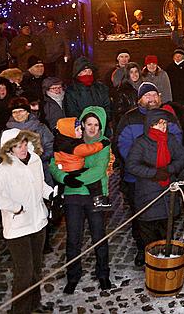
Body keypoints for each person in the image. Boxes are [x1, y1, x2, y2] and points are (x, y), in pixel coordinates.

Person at [50, 106, 113, 293]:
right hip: (72, 196)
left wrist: (74, 178)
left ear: (101, 126)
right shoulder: (69, 139)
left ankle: (103, 274)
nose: (92, 128)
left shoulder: (104, 143)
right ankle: (73, 275)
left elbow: (99, 170)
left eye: (96, 124)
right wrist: (64, 178)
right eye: (88, 124)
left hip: (96, 194)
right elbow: (55, 165)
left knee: (98, 236)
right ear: (82, 124)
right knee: (73, 237)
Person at [0, 129, 53, 314]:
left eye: (23, 143)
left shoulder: (35, 161)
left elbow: (41, 184)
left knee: (36, 269)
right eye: (16, 146)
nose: (22, 148)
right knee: (24, 273)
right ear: (9, 148)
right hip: (18, 227)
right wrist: (15, 207)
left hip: (38, 222)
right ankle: (19, 311)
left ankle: (34, 305)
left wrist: (51, 194)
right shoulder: (4, 169)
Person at [127, 109, 184, 251]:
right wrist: (154, 173)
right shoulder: (141, 143)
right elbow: (132, 165)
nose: (163, 126)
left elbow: (183, 157)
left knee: (166, 233)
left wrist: (169, 169)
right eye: (158, 124)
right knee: (149, 238)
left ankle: (165, 261)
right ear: (150, 125)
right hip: (148, 195)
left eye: (164, 123)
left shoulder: (170, 139)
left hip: (167, 195)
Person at [64, 57, 112, 130]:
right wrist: (87, 124)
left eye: (89, 71)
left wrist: (100, 121)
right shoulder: (71, 91)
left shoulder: (101, 88)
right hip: (82, 131)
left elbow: (108, 107)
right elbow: (72, 112)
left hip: (103, 128)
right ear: (78, 73)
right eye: (84, 71)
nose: (88, 73)